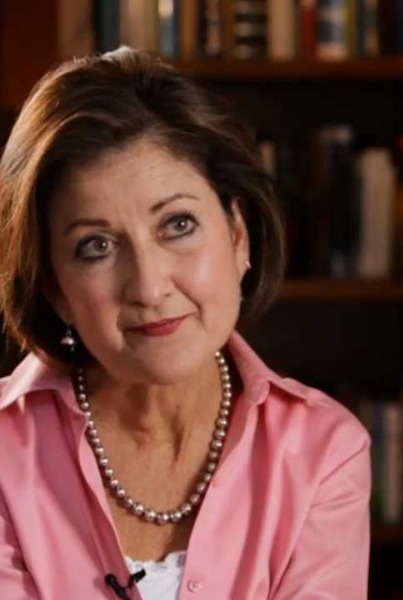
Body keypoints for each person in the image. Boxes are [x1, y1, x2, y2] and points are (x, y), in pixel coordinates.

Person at [0, 47, 371, 599]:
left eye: (177, 225)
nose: (149, 288)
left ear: (237, 236)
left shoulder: (324, 451)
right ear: (55, 289)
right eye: (96, 246)